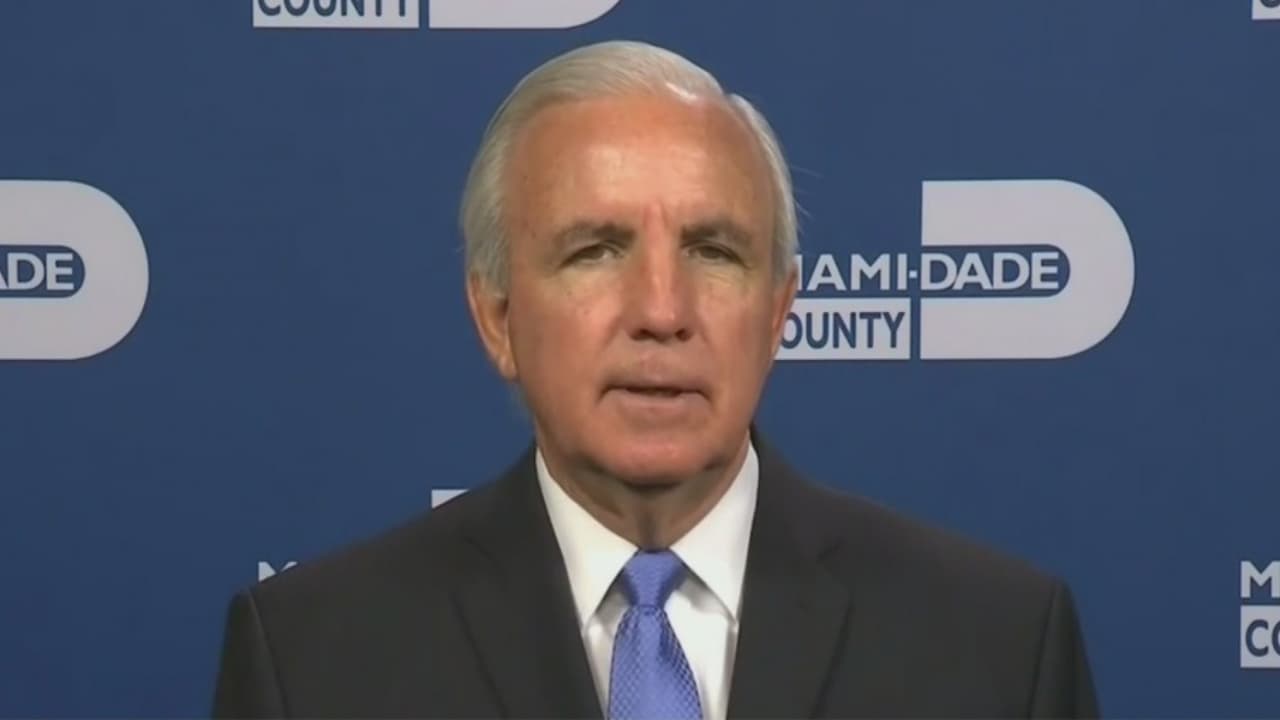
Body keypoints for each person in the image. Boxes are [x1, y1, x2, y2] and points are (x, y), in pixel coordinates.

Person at [212, 39, 1099, 719]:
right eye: (596, 251)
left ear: (778, 313)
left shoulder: (997, 648)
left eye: (714, 252)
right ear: (498, 317)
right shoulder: (314, 662)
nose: (663, 311)